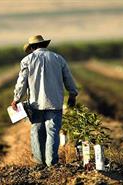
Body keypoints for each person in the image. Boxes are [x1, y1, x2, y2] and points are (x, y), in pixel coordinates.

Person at [11, 35, 78, 167]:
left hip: (35, 104)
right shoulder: (58, 58)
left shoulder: (27, 60)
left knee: (36, 131)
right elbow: (68, 78)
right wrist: (72, 94)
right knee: (53, 132)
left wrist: (16, 99)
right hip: (55, 102)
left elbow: (21, 82)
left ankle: (40, 162)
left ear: (32, 47)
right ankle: (51, 163)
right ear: (44, 45)